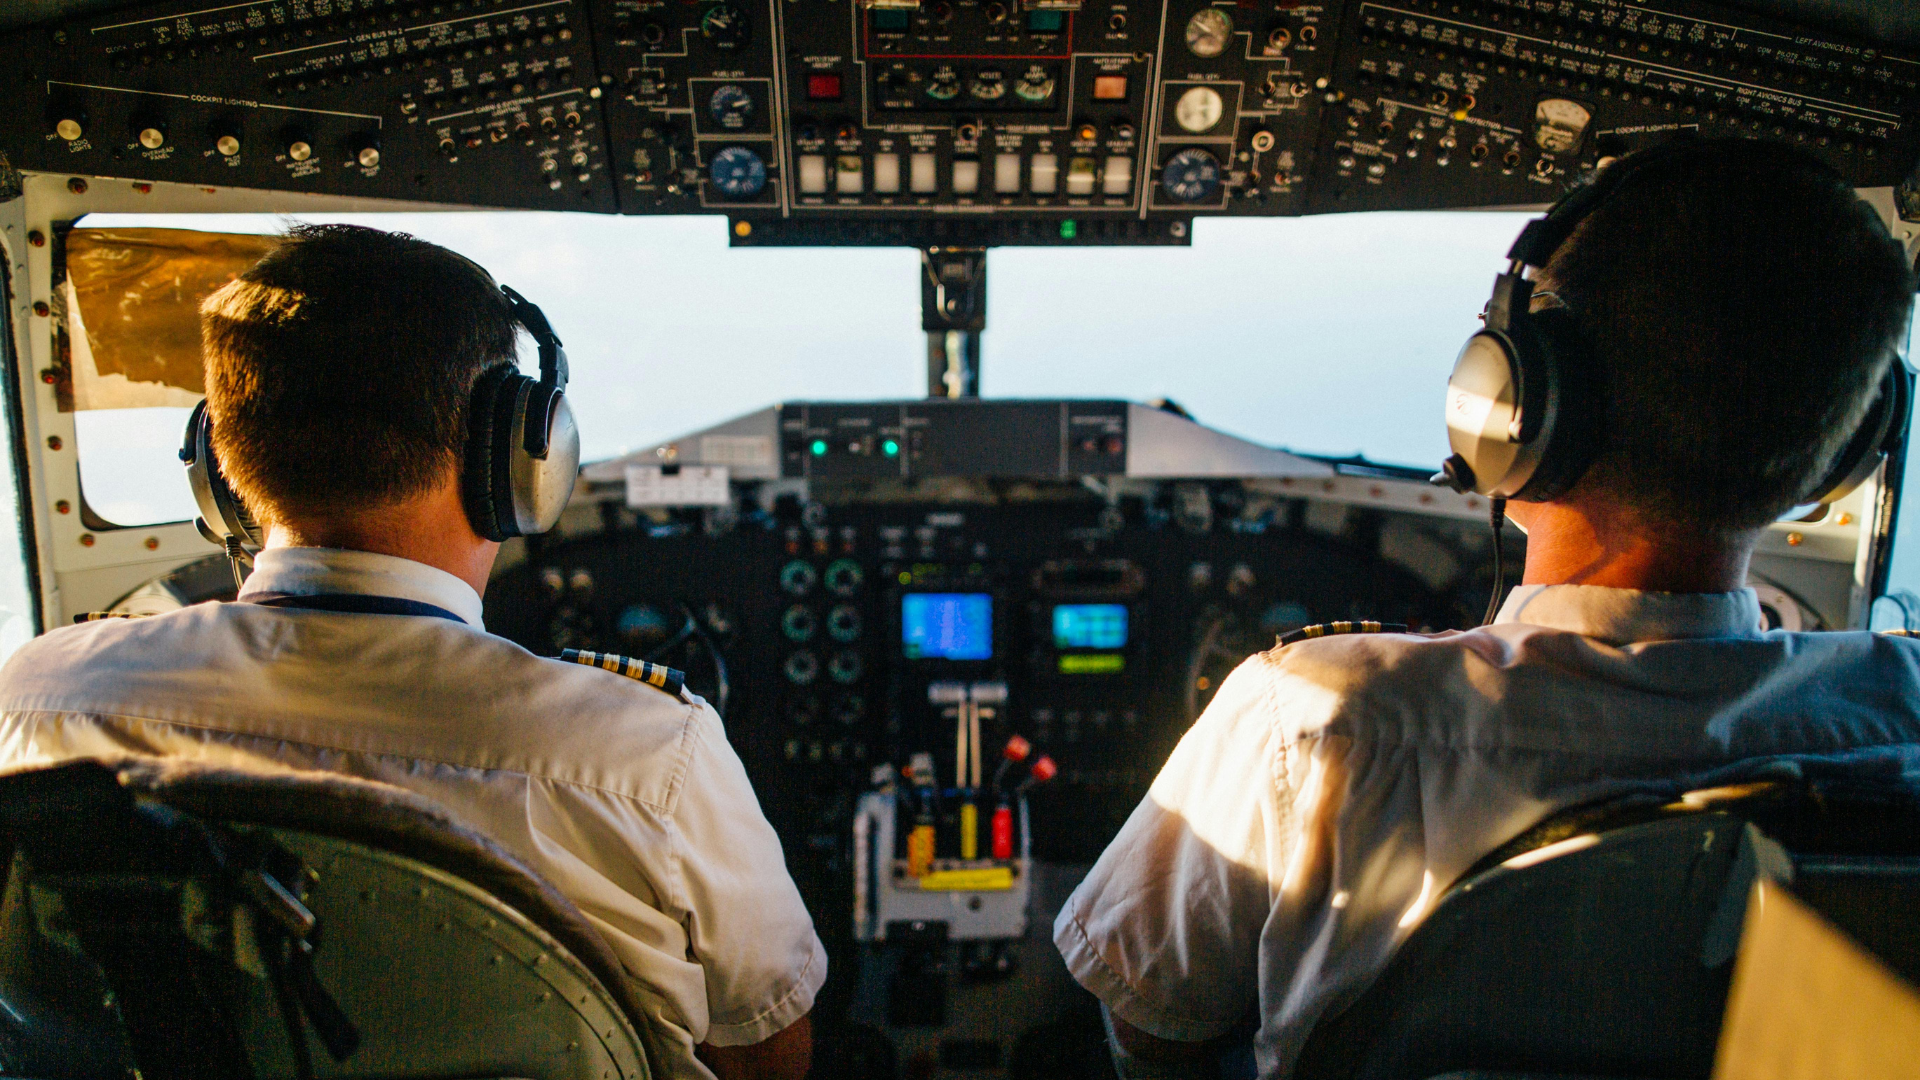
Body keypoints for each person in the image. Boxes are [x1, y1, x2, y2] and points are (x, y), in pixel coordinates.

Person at [1053, 139, 1920, 1078]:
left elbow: (1156, 1026)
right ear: (1844, 446)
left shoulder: (1313, 722)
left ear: (1519, 403)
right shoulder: (1902, 710)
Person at [0, 225, 820, 1080]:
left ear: (219, 462)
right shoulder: (649, 758)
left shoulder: (38, 700)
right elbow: (767, 1058)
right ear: (520, 456)